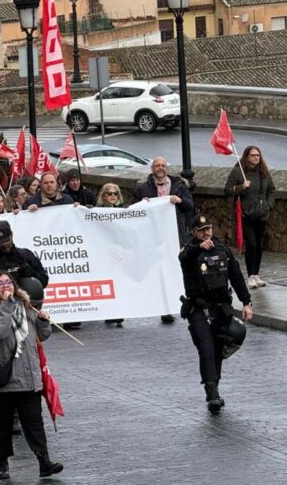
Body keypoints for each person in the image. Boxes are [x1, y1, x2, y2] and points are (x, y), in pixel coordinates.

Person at [0, 271, 62, 480]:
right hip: (2, 379)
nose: (6, 286)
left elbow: (42, 335)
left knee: (34, 422)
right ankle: (3, 463)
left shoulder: (26, 306)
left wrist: (43, 320)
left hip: (28, 377)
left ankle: (44, 462)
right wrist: (7, 306)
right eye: (0, 284)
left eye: (9, 282)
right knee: (3, 423)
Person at [179, 214, 253, 414]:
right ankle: (211, 393)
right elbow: (184, 258)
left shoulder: (223, 250)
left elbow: (236, 277)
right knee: (206, 348)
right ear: (194, 232)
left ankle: (215, 387)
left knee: (219, 349)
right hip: (198, 309)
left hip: (220, 307)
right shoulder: (189, 251)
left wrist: (247, 302)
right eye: (201, 230)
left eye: (208, 229)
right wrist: (198, 248)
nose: (206, 233)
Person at [133, 156, 193, 324]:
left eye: (163, 165)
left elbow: (190, 205)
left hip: (174, 234)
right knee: (157, 271)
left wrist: (179, 200)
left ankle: (172, 305)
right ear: (152, 169)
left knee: (174, 268)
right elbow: (132, 210)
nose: (160, 168)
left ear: (167, 168)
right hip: (152, 237)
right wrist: (141, 203)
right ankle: (161, 305)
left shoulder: (179, 186)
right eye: (157, 166)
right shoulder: (142, 188)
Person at [224, 146, 276, 288]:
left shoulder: (263, 173)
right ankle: (250, 276)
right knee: (251, 245)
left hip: (262, 215)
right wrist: (241, 187)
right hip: (246, 216)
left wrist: (268, 205)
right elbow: (227, 190)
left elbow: (271, 190)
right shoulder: (238, 171)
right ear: (246, 156)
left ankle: (256, 274)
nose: (256, 158)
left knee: (259, 246)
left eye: (258, 155)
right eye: (252, 155)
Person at [0, 221, 49, 287]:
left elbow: (44, 281)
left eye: (7, 241)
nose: (5, 245)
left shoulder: (26, 255)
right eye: (1, 243)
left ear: (11, 235)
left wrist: (32, 273)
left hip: (25, 299)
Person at [96, 183, 125, 326]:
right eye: (109, 193)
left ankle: (117, 311)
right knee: (107, 284)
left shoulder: (123, 211)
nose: (113, 196)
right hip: (103, 253)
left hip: (118, 253)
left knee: (118, 283)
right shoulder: (95, 211)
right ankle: (109, 311)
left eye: (115, 193)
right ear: (103, 196)